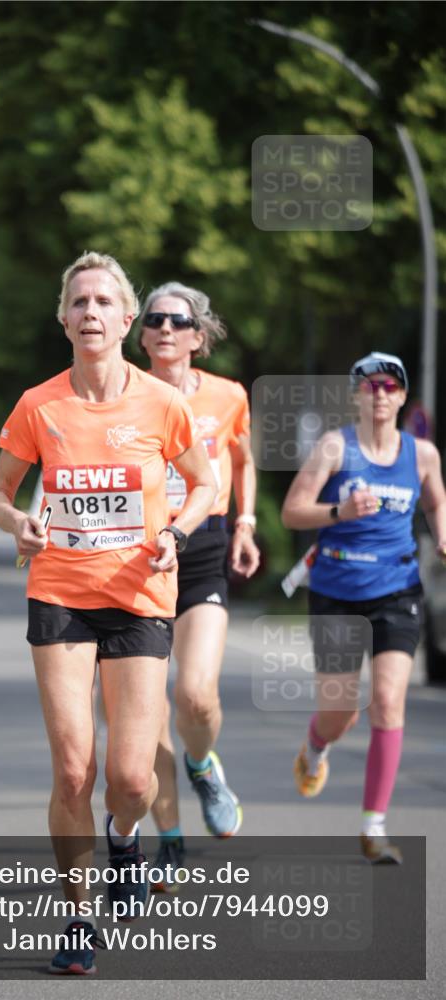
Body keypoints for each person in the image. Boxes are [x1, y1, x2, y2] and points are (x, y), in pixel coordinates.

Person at [0, 251, 216, 975]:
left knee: (133, 779)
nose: (89, 313)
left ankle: (124, 839)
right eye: (77, 303)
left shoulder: (161, 403)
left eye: (102, 303)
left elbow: (203, 485)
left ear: (125, 320)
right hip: (58, 593)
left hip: (141, 598)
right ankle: (78, 919)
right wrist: (13, 520)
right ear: (63, 319)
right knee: (73, 769)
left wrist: (176, 534)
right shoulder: (38, 405)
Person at [281, 352, 446, 863]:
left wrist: (442, 537)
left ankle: (374, 826)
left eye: (388, 385)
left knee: (390, 703)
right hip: (336, 592)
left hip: (397, 592)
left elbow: (437, 500)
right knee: (341, 712)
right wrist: (339, 511)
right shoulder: (336, 447)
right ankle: (316, 744)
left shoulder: (421, 454)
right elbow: (291, 511)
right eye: (369, 385)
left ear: (400, 395)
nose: (379, 394)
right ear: (357, 394)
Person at [138, 282, 260, 890]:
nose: (165, 328)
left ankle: (202, 764)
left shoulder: (228, 395)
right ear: (142, 333)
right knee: (146, 712)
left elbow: (241, 457)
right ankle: (170, 838)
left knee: (196, 697)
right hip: (139, 555)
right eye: (154, 319)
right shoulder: (126, 395)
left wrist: (247, 521)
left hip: (205, 546)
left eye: (177, 321)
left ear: (198, 335)